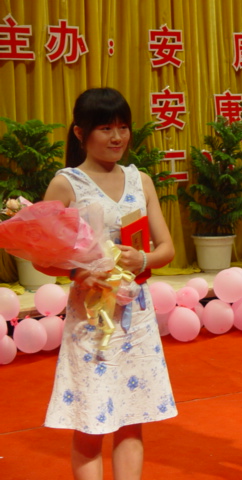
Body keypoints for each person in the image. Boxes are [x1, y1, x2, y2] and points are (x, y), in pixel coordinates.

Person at [37, 87, 176, 480]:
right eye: (106, 128)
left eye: (123, 127)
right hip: (92, 320)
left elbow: (167, 248)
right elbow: (41, 256)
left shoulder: (140, 180)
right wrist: (78, 272)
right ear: (80, 133)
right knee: (91, 420)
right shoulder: (66, 184)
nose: (118, 137)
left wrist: (143, 259)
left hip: (136, 318)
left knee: (133, 417)